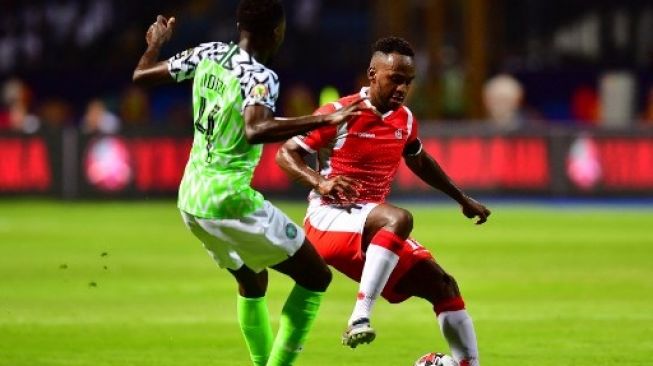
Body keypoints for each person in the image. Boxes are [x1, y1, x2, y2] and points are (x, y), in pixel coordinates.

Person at [131, 1, 366, 365]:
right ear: (277, 32)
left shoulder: (209, 52)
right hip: (228, 199)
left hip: (191, 197)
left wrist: (155, 43)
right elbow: (256, 129)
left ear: (240, 25)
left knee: (253, 282)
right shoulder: (260, 76)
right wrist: (323, 120)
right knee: (316, 277)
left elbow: (141, 76)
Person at [276, 37, 491, 366]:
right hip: (328, 221)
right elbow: (285, 154)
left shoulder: (404, 119)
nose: (403, 88)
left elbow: (419, 160)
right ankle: (360, 316)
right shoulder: (339, 113)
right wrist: (321, 182)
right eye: (395, 79)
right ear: (372, 74)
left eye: (408, 81)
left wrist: (461, 199)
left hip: (372, 228)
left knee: (443, 285)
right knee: (399, 219)